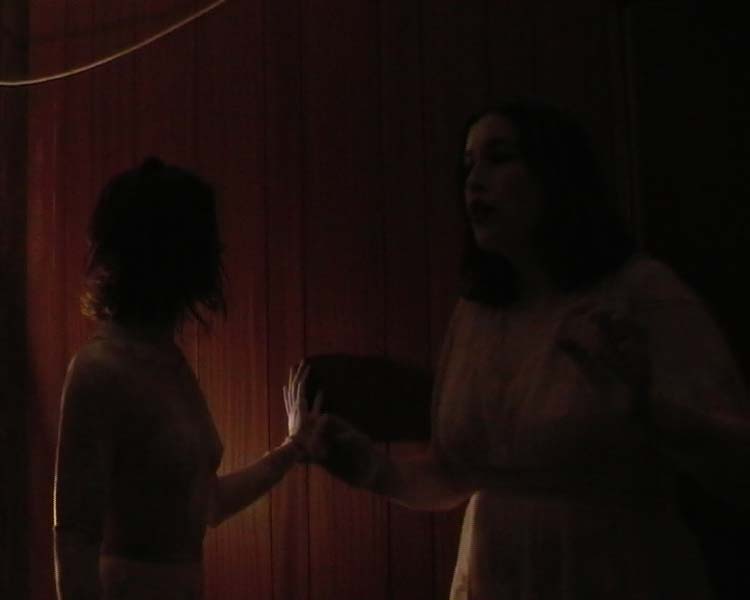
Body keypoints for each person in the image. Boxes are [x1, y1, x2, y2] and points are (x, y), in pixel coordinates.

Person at [285, 98, 750, 599]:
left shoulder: (640, 294)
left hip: (614, 571)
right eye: (468, 166)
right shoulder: (479, 313)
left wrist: (651, 408)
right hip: (497, 574)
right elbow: (457, 474)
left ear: (555, 174)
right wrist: (373, 469)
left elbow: (735, 467)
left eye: (499, 158)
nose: (474, 181)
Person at [53, 158, 320, 600]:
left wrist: (292, 449)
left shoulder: (170, 364)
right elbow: (75, 541)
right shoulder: (99, 369)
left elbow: (206, 504)